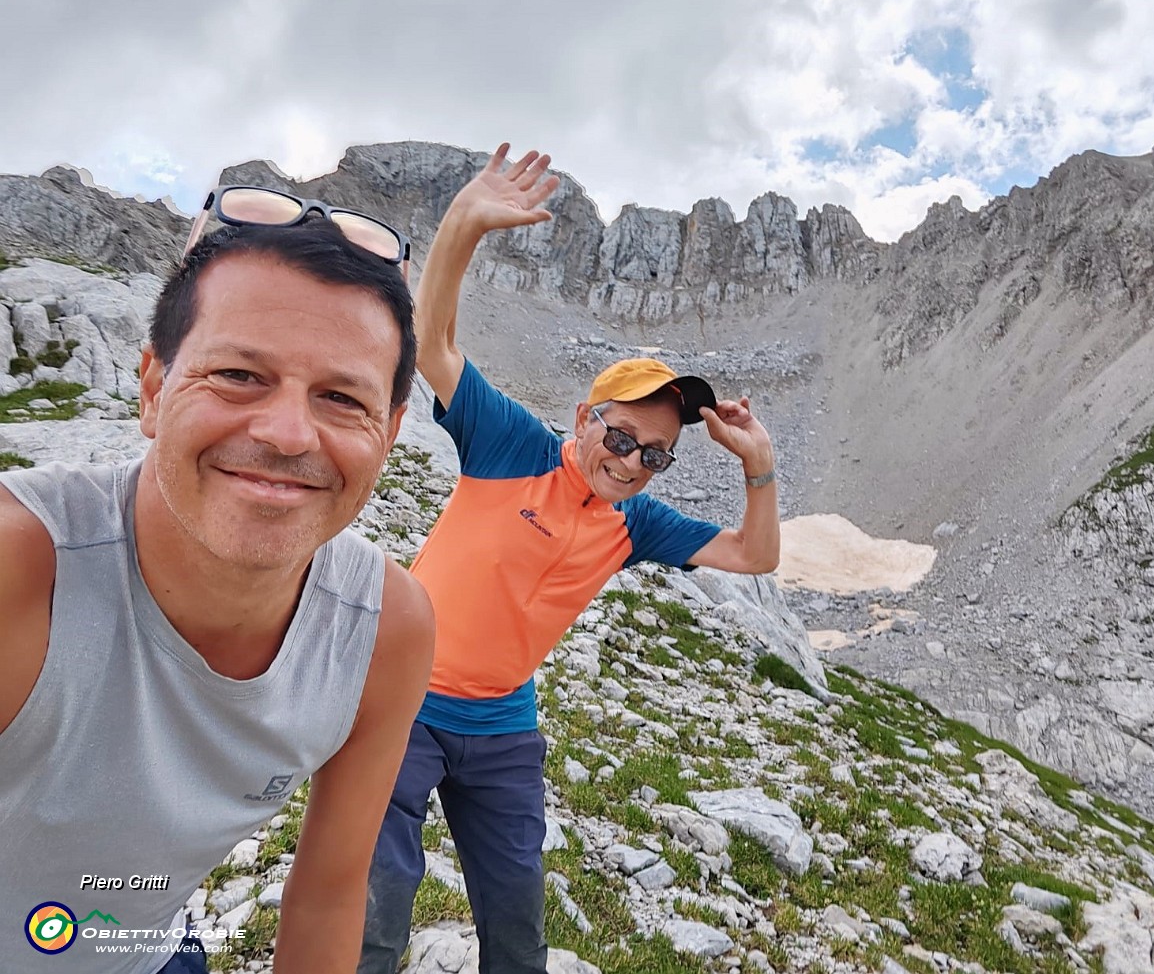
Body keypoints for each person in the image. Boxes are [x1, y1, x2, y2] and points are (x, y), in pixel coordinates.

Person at [359, 146, 781, 974]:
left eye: (653, 454)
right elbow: (430, 339)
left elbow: (754, 553)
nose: (628, 461)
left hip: (505, 726)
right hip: (402, 703)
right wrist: (464, 224)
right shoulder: (512, 442)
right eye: (619, 436)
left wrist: (757, 464)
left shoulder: (634, 525)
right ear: (585, 416)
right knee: (377, 911)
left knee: (517, 926)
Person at [0, 189, 436, 974]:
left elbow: (330, 892)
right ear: (153, 388)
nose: (287, 432)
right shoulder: (23, 566)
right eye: (238, 374)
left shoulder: (385, 629)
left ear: (391, 430)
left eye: (341, 397)